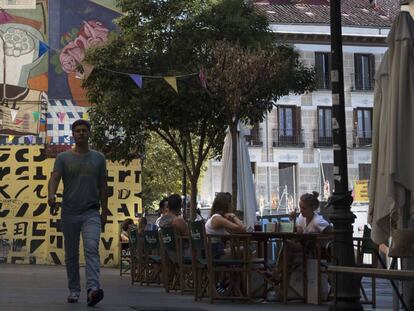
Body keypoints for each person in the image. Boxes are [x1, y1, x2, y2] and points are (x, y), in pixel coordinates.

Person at [47, 119, 109, 306]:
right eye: (77, 130)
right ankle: (74, 290)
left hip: (91, 212)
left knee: (91, 248)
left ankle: (93, 289)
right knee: (71, 254)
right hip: (69, 212)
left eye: (84, 130)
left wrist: (105, 211)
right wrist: (51, 194)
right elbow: (55, 177)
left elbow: (103, 185)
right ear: (73, 134)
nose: (81, 133)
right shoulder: (63, 158)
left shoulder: (99, 158)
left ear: (89, 134)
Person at [205, 192, 246, 259]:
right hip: (215, 255)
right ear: (227, 205)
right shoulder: (218, 219)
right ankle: (245, 269)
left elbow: (240, 230)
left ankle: (235, 268)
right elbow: (241, 227)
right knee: (246, 250)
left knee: (241, 249)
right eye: (231, 203)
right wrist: (233, 216)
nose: (232, 205)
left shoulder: (216, 218)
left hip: (213, 251)